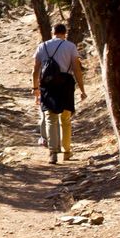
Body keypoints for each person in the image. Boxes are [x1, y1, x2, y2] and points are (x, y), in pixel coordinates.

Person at [32, 24, 87, 164]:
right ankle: (66, 152)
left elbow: (35, 70)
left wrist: (35, 88)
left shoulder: (42, 46)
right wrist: (82, 89)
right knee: (66, 119)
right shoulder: (70, 46)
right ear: (65, 33)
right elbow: (76, 69)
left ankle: (53, 153)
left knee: (50, 119)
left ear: (53, 32)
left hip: (47, 85)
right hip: (66, 84)